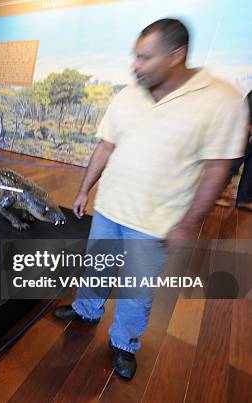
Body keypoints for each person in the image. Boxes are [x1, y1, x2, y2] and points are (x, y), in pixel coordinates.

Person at [52, 18, 249, 380]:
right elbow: (106, 145)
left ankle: (124, 343)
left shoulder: (221, 99)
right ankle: (87, 309)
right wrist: (84, 190)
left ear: (177, 55)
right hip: (109, 209)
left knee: (136, 290)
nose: (135, 66)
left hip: (156, 222)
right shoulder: (128, 94)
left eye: (145, 58)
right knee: (96, 267)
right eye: (135, 57)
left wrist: (189, 224)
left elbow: (218, 168)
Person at [215, 91, 252, 209]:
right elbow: (247, 107)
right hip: (245, 128)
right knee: (233, 164)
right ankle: (216, 194)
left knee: (250, 168)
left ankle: (244, 199)